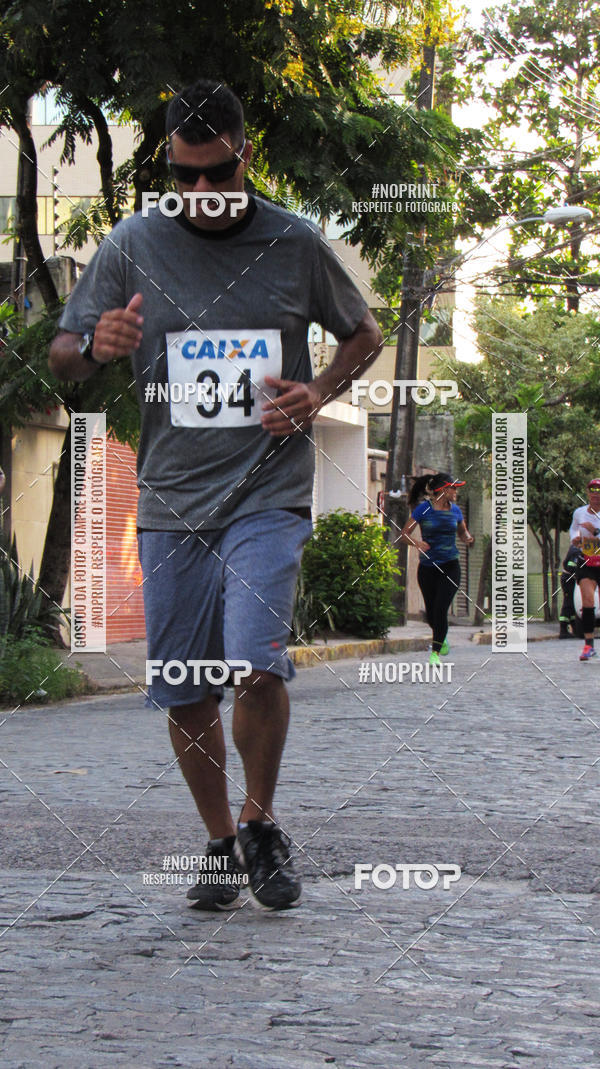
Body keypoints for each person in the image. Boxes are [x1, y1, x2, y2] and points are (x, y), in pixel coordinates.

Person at [48, 79, 383, 911]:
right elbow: (62, 353)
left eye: (217, 174)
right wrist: (95, 342)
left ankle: (262, 823)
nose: (200, 193)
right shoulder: (132, 243)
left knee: (255, 664)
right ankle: (221, 843)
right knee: (186, 685)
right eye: (184, 175)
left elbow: (364, 333)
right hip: (169, 502)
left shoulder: (295, 242)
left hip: (265, 494)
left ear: (245, 158)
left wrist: (319, 392)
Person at [400, 472, 474, 666]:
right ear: (443, 490)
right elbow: (404, 535)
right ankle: (442, 637)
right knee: (432, 614)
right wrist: (417, 543)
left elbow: (462, 531)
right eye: (453, 488)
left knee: (441, 608)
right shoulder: (424, 510)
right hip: (427, 569)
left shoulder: (456, 511)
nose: (456, 492)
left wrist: (467, 538)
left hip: (451, 566)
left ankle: (435, 654)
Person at [569, 478, 600, 661]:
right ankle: (588, 645)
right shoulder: (579, 513)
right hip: (586, 561)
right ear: (588, 493)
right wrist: (575, 539)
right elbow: (573, 530)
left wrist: (595, 531)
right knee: (587, 601)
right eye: (592, 490)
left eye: (599, 491)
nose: (596, 494)